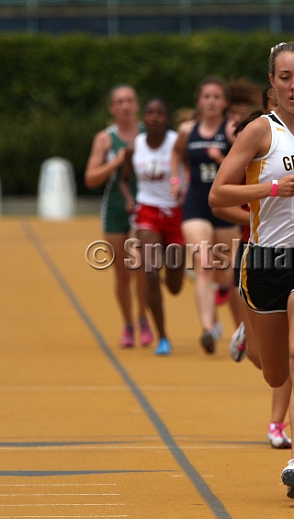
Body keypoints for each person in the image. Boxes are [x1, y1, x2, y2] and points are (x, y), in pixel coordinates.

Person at [209, 41, 294, 499]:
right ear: (272, 83)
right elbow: (217, 194)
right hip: (265, 261)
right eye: (285, 77)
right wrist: (269, 188)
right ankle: (249, 335)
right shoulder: (259, 133)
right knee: (274, 372)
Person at [213, 82, 293, 450]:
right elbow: (221, 201)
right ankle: (247, 338)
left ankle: (277, 423)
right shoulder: (257, 138)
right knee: (267, 361)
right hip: (256, 254)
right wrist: (256, 218)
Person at [171, 77, 241, 353]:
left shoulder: (232, 130)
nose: (211, 102)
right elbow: (176, 155)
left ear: (224, 102)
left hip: (224, 204)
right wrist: (176, 181)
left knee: (224, 272)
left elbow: (244, 165)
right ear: (198, 101)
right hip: (197, 203)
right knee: (203, 265)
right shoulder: (187, 130)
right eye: (206, 97)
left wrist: (221, 160)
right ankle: (208, 328)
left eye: (216, 97)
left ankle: (222, 290)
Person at [84, 84, 153, 349]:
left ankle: (143, 317)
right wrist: (116, 162)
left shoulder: (151, 135)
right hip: (114, 209)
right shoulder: (105, 139)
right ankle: (128, 324)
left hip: (144, 206)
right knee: (122, 274)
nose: (125, 106)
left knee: (141, 270)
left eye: (130, 101)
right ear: (112, 108)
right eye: (119, 102)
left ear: (137, 105)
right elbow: (90, 178)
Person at [119, 97, 184, 356]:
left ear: (167, 119)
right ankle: (163, 337)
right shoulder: (135, 146)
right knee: (149, 271)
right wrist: (129, 199)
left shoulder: (176, 142)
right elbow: (124, 179)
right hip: (147, 211)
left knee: (176, 286)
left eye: (159, 113)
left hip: (176, 212)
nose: (154, 117)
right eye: (149, 113)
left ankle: (169, 279)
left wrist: (183, 187)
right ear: (142, 118)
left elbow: (190, 169)